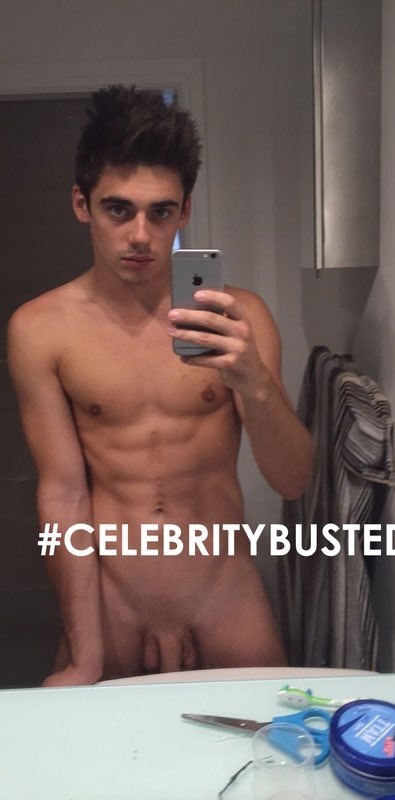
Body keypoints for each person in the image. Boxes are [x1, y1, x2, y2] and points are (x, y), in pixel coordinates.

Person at [7, 85, 313, 686]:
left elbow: (294, 480)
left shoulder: (239, 317)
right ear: (81, 203)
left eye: (161, 212)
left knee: (267, 743)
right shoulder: (40, 329)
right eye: (119, 210)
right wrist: (85, 655)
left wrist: (253, 380)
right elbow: (64, 497)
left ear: (185, 211)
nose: (142, 235)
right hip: (112, 606)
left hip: (225, 596)